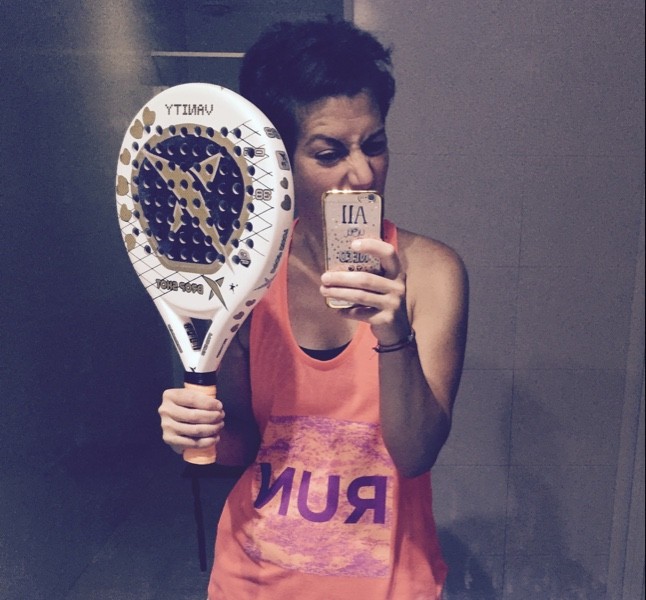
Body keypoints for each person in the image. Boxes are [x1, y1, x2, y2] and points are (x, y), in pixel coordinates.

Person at [158, 18, 468, 600]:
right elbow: (242, 444)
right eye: (329, 153)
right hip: (254, 580)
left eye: (374, 145)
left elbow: (416, 454)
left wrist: (393, 333)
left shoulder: (432, 273)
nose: (363, 173)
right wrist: (197, 430)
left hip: (387, 586)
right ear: (279, 160)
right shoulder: (246, 275)